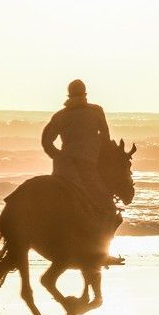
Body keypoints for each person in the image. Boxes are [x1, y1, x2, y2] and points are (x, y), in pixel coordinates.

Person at [40, 80, 114, 217]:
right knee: (106, 203)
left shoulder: (59, 116)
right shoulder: (96, 111)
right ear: (85, 94)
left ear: (69, 95)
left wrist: (59, 156)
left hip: (62, 168)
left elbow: (46, 142)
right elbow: (105, 138)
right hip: (86, 166)